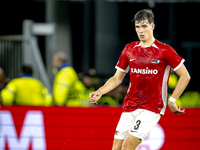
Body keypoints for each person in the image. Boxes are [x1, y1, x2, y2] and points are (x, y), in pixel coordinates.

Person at [90, 9, 190, 150]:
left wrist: (172, 100)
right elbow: (117, 78)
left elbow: (185, 76)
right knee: (116, 148)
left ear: (152, 26)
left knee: (128, 146)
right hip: (130, 105)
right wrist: (100, 91)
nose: (140, 30)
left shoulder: (164, 50)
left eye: (144, 26)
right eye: (137, 26)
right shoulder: (129, 49)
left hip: (152, 107)